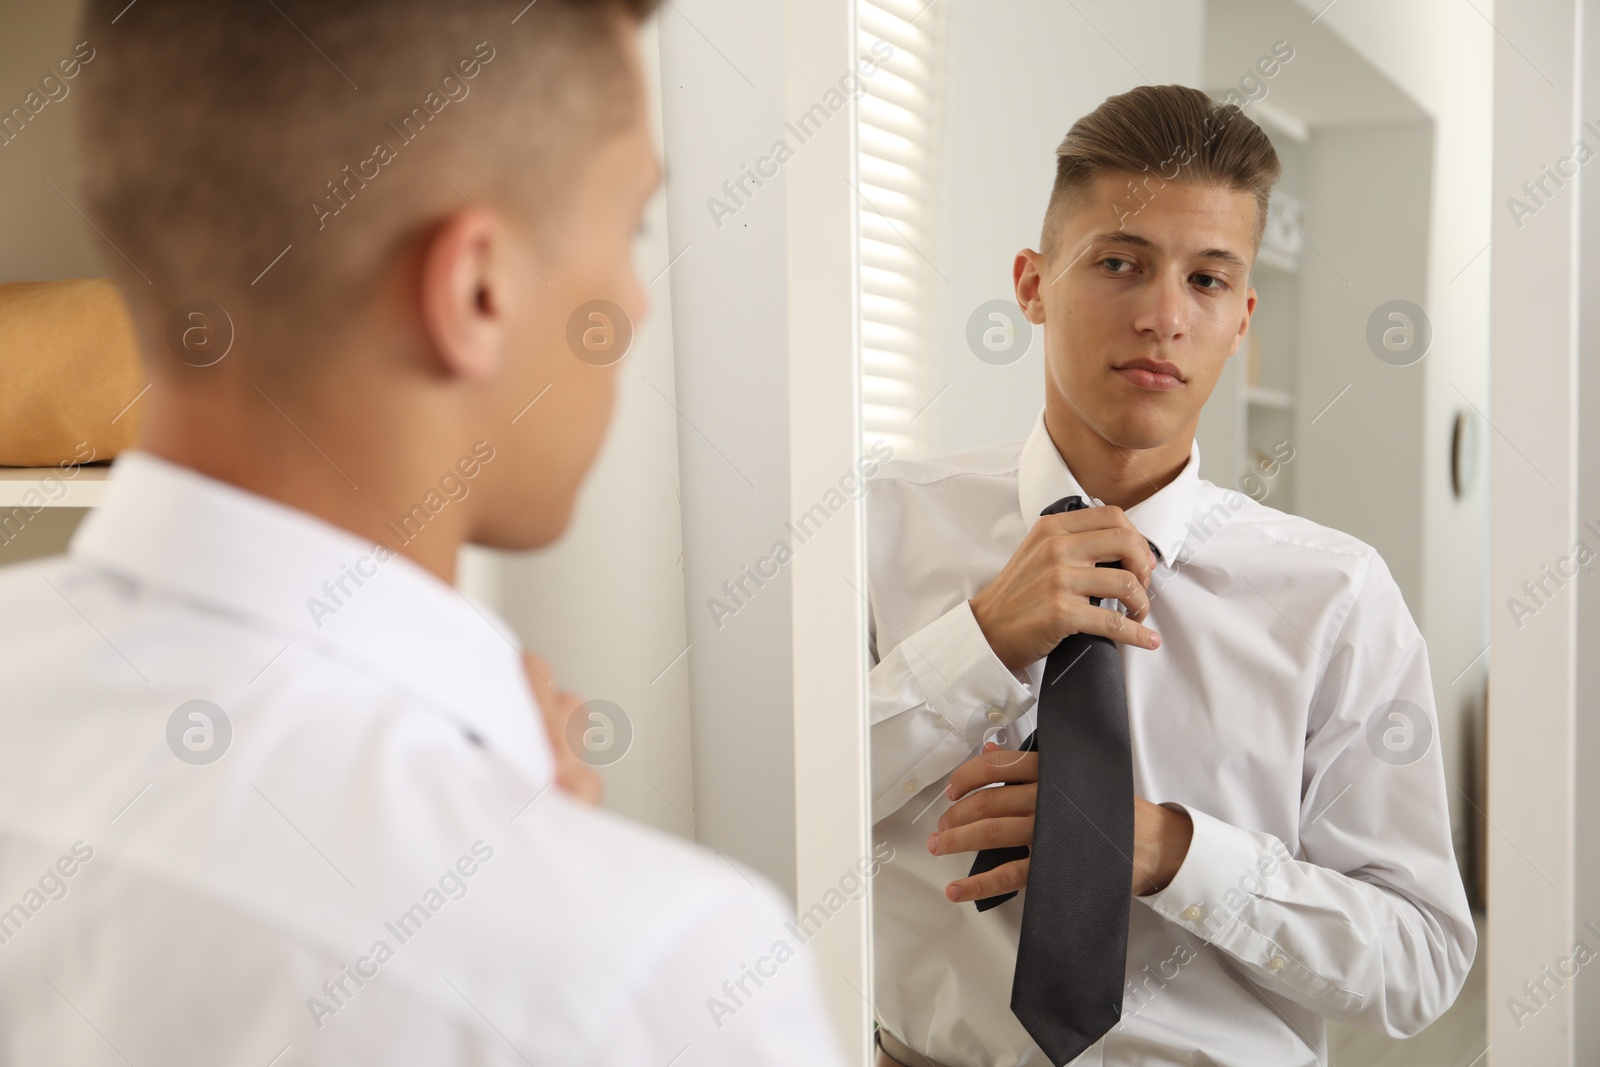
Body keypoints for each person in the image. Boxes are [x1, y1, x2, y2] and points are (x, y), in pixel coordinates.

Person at [0, 2, 845, 1064]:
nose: (632, 303)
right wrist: (550, 892)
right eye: (629, 227)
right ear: (477, 288)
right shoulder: (667, 977)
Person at [866, 84, 1475, 1067]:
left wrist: (1169, 851)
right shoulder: (877, 526)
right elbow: (768, 804)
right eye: (1120, 262)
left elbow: (1419, 961)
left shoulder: (1336, 597)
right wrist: (975, 643)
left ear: (1242, 319)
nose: (1160, 316)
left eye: (1205, 280)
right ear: (1030, 284)